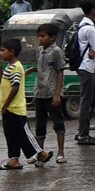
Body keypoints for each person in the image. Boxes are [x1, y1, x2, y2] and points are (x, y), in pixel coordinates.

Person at [0, 37, 35, 171]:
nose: (1, 53)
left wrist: (6, 105)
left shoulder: (16, 67)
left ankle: (40, 154)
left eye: (3, 50)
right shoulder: (9, 67)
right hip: (7, 109)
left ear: (11, 52)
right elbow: (2, 82)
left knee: (24, 135)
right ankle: (13, 159)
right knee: (11, 135)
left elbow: (15, 87)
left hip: (14, 108)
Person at [30, 23, 68, 166]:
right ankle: (40, 153)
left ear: (52, 37)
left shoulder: (56, 51)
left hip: (52, 92)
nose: (40, 39)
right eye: (39, 36)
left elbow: (60, 72)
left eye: (43, 36)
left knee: (58, 122)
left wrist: (57, 93)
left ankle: (61, 152)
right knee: (40, 125)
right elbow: (42, 68)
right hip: (40, 92)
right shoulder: (39, 51)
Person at [72, 0, 95, 146]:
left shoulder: (82, 24)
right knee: (86, 100)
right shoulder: (89, 27)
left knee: (93, 98)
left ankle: (82, 130)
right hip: (86, 67)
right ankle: (83, 135)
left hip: (84, 66)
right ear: (93, 10)